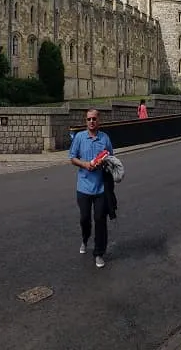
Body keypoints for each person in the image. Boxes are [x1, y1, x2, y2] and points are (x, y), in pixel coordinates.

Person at [69, 109, 115, 269]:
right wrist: (85, 164)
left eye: (94, 119)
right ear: (85, 121)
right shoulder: (80, 138)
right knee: (84, 219)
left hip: (101, 188)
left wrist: (104, 163)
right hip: (83, 187)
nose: (91, 121)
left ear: (98, 121)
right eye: (89, 119)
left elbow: (111, 158)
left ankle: (99, 253)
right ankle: (85, 238)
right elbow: (72, 158)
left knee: (100, 220)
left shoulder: (105, 138)